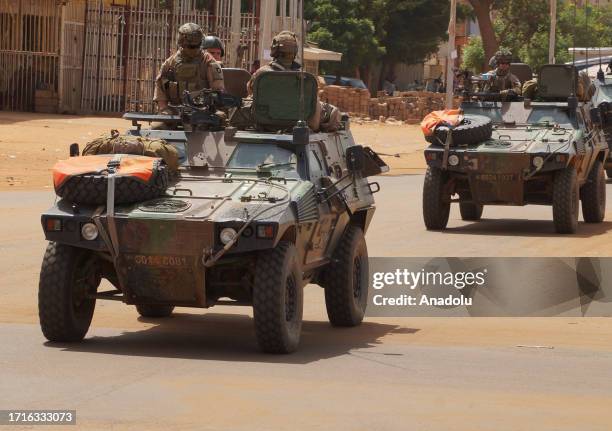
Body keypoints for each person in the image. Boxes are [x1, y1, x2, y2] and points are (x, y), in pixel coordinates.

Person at [153, 23, 224, 114]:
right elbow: (160, 87)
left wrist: (211, 109)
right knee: (158, 126)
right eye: (189, 47)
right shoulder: (170, 63)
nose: (193, 49)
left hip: (203, 112)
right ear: (181, 44)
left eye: (196, 46)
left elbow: (217, 91)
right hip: (175, 112)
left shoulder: (209, 62)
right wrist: (164, 109)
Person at [246, 30, 301, 96]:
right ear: (295, 51)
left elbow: (250, 91)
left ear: (274, 50)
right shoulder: (303, 78)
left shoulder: (262, 74)